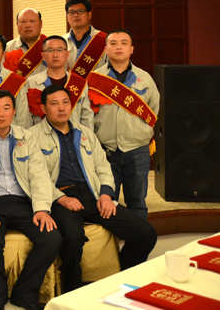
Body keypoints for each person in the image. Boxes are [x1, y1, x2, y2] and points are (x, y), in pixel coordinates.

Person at [34, 85, 156, 293]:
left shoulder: (85, 133)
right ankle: (73, 290)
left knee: (145, 234)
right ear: (44, 108)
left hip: (93, 194)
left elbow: (103, 167)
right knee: (72, 238)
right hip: (60, 197)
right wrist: (60, 198)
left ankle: (119, 280)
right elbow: (35, 178)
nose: (61, 108)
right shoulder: (32, 137)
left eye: (65, 102)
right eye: (54, 104)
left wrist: (106, 194)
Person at [0, 90, 61, 310]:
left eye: (6, 108)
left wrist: (42, 209)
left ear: (14, 111)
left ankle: (24, 293)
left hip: (23, 202)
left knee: (52, 238)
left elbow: (39, 176)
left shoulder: (26, 137)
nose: (1, 113)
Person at [89, 29, 159, 220]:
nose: (118, 47)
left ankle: (138, 239)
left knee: (137, 202)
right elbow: (86, 115)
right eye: (113, 43)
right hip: (105, 150)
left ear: (131, 49)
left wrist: (141, 133)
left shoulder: (145, 78)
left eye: (124, 43)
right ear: (105, 49)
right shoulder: (95, 79)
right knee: (105, 202)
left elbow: (153, 111)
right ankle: (111, 240)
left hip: (137, 149)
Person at [20, 35, 92, 130]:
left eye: (59, 50)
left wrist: (86, 137)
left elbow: (87, 117)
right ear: (43, 55)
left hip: (74, 135)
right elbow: (26, 117)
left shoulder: (79, 83)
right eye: (50, 50)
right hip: (41, 136)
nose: (55, 55)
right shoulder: (31, 82)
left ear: (67, 54)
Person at [63, 0, 107, 77]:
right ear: (67, 16)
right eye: (71, 12)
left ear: (89, 15)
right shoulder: (62, 42)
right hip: (69, 85)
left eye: (80, 11)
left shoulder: (105, 40)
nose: (76, 15)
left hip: (96, 84)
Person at [4, 9, 47, 79]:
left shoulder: (51, 47)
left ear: (41, 24)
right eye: (23, 22)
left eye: (32, 21)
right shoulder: (7, 48)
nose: (27, 25)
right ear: (17, 25)